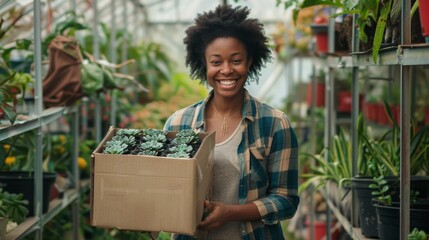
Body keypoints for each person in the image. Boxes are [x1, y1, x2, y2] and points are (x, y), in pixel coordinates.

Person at [163, 4, 299, 240]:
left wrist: (231, 213)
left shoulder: (275, 124)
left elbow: (286, 200)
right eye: (216, 62)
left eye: (236, 60)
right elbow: (164, 191)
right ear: (204, 64)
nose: (226, 70)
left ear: (249, 62)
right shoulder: (178, 124)